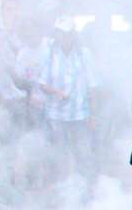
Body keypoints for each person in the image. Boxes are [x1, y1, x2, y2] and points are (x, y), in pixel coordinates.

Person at [39, 19, 96, 178]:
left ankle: (86, 187)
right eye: (59, 34)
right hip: (56, 115)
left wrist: (93, 114)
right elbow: (42, 83)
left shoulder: (84, 54)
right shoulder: (50, 53)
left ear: (72, 35)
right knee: (60, 154)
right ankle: (64, 187)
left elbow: (93, 85)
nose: (62, 37)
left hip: (80, 114)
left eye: (66, 34)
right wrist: (57, 92)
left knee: (83, 153)